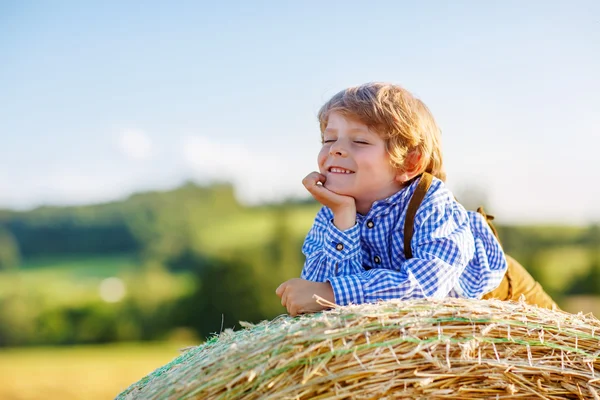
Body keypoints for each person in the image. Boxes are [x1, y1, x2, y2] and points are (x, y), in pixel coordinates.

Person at [276, 82, 508, 316]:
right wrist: (343, 218)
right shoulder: (331, 213)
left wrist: (334, 294)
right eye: (328, 140)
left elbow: (426, 291)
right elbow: (317, 301)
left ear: (410, 163)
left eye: (360, 141)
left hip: (500, 293)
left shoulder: (432, 204)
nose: (335, 149)